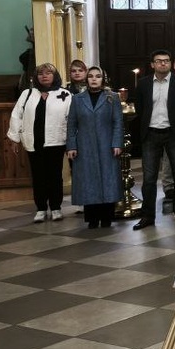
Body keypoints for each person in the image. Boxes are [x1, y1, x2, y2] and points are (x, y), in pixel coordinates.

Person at [133, 50, 175, 229]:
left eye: (166, 61)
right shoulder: (144, 84)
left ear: (170, 64)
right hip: (151, 134)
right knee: (149, 177)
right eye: (159, 61)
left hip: (173, 133)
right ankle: (148, 216)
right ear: (152, 64)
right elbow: (140, 107)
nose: (163, 64)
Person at [8, 63, 74, 222]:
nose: (44, 76)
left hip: (56, 142)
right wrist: (14, 138)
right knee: (38, 177)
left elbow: (71, 120)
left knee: (55, 176)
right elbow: (17, 115)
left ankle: (56, 207)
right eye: (41, 73)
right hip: (34, 142)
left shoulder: (65, 94)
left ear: (54, 76)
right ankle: (41, 208)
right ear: (36, 77)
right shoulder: (27, 94)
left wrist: (71, 142)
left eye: (48, 73)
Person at [65, 66, 123, 230]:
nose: (94, 79)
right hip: (85, 145)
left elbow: (118, 122)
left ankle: (106, 218)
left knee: (108, 180)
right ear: (86, 79)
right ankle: (92, 218)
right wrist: (71, 145)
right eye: (91, 76)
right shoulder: (77, 99)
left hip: (107, 144)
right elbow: (71, 124)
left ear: (102, 79)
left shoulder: (112, 97)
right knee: (89, 181)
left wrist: (117, 143)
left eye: (98, 76)